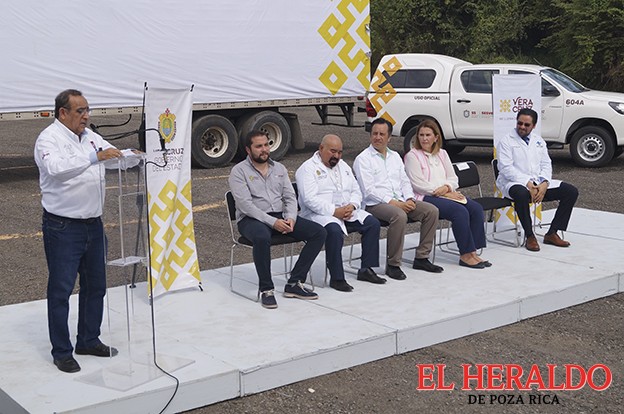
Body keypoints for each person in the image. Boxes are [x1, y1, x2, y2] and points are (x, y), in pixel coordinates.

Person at [35, 89, 122, 373]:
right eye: (80, 111)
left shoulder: (91, 137)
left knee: (96, 286)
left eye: (87, 110)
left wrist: (134, 156)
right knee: (61, 290)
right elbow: (56, 169)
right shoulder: (49, 139)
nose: (86, 116)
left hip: (93, 224)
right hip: (63, 227)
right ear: (63, 113)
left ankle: (88, 339)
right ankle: (62, 351)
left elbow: (112, 154)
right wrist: (95, 157)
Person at [228, 130, 326, 309]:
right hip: (251, 219)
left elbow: (290, 197)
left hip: (280, 216)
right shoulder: (238, 171)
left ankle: (295, 282)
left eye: (266, 145)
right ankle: (267, 289)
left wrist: (291, 218)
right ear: (248, 150)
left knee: (319, 232)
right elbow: (246, 206)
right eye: (259, 146)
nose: (264, 149)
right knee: (261, 237)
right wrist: (273, 223)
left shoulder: (279, 168)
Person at [353, 118, 443, 279]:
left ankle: (422, 257)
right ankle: (393, 264)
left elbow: (404, 181)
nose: (378, 137)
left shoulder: (394, 156)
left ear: (389, 137)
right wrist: (395, 203)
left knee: (431, 211)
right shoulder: (363, 159)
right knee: (399, 215)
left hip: (400, 200)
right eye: (374, 134)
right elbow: (369, 190)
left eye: (382, 134)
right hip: (375, 204)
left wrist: (409, 199)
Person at [296, 134, 382, 291]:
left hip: (345, 211)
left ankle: (366, 269)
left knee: (372, 223)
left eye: (340, 152)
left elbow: (356, 190)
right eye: (333, 151)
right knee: (334, 231)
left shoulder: (343, 166)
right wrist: (334, 211)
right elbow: (309, 199)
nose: (336, 156)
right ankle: (337, 278)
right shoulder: (307, 169)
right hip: (318, 214)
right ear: (321, 148)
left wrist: (353, 205)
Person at [404, 121, 490, 269]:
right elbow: (418, 184)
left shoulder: (442, 153)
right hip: (425, 196)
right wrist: (442, 192)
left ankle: (473, 252)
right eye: (421, 135)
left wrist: (447, 188)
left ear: (436, 137)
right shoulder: (412, 156)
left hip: (446, 193)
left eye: (428, 135)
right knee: (459, 212)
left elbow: (453, 178)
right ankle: (465, 254)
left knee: (475, 208)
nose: (424, 138)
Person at [496, 108, 579, 251]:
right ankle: (530, 236)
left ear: (534, 126)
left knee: (570, 191)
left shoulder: (539, 141)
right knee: (521, 194)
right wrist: (528, 183)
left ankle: (552, 233)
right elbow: (506, 168)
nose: (522, 127)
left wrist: (544, 183)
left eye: (526, 125)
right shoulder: (506, 141)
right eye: (520, 123)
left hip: (538, 183)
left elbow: (546, 164)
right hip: (513, 183)